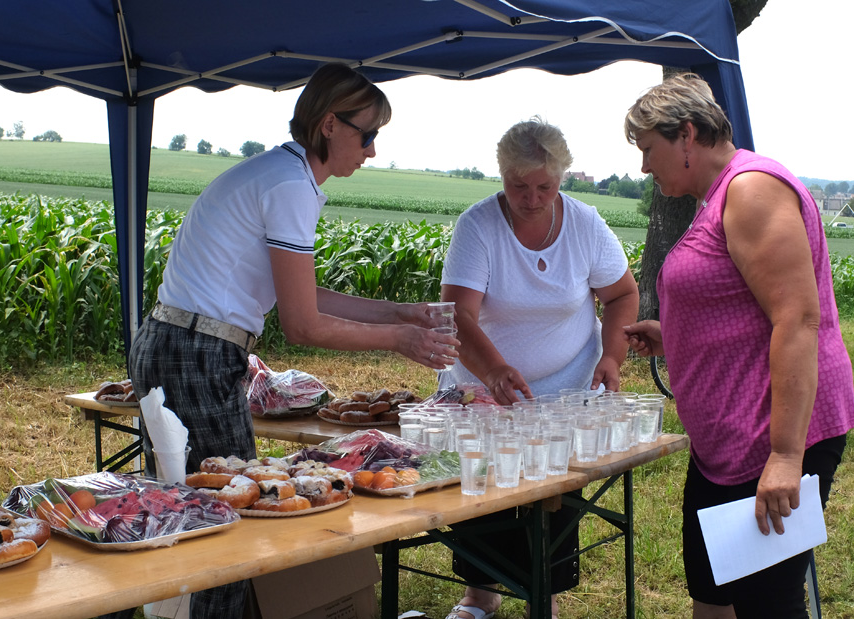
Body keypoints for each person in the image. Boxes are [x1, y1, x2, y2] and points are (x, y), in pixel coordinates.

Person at [125, 62, 458, 619]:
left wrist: (401, 311)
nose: (372, 150)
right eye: (367, 135)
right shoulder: (290, 187)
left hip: (178, 342)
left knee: (199, 510)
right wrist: (398, 337)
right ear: (330, 124)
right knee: (231, 519)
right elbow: (304, 324)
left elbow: (302, 293)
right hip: (198, 352)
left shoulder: (280, 174)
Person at [622, 73, 854, 618]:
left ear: (686, 135)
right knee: (712, 590)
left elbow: (797, 318)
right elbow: (740, 306)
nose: (644, 166)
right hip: (727, 441)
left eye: (648, 149)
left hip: (771, 436)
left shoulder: (750, 190)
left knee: (766, 604)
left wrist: (785, 457)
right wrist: (675, 337)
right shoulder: (717, 195)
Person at [440, 117, 638, 619]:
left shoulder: (586, 225)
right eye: (518, 186)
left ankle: (542, 597)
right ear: (502, 176)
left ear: (562, 178)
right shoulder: (479, 226)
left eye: (544, 188)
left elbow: (621, 294)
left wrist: (611, 356)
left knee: (554, 495)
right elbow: (459, 314)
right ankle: (479, 594)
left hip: (567, 388)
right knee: (482, 487)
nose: (530, 199)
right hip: (484, 385)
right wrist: (493, 370)